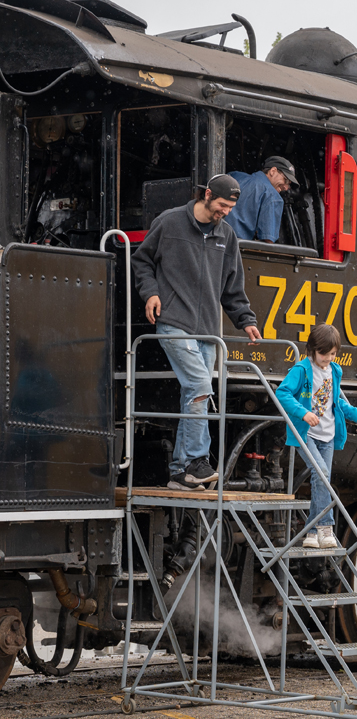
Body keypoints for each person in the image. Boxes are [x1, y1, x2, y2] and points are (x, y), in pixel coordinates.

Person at [133, 173, 262, 490]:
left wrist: (245, 319)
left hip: (207, 330)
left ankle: (179, 472)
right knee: (200, 385)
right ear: (206, 195)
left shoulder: (227, 236)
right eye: (222, 204)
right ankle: (196, 461)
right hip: (173, 321)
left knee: (197, 395)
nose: (226, 212)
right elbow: (142, 260)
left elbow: (232, 287)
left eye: (231, 207)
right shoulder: (170, 222)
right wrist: (150, 293)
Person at [276, 325, 357, 549]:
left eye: (333, 354)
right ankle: (325, 527)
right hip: (307, 434)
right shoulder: (301, 369)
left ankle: (311, 533)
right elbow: (282, 393)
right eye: (324, 354)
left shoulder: (334, 371)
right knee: (322, 474)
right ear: (312, 350)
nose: (328, 358)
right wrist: (303, 412)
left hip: (327, 435)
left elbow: (338, 402)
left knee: (322, 481)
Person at [226, 156, 298, 243]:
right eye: (285, 180)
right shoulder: (272, 196)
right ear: (273, 171)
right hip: (236, 248)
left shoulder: (234, 176)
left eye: (289, 185)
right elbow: (268, 240)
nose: (286, 188)